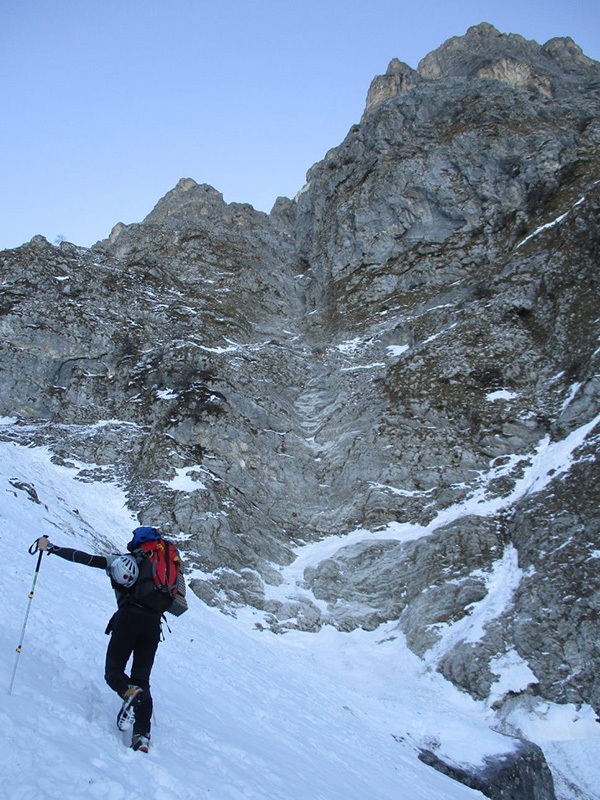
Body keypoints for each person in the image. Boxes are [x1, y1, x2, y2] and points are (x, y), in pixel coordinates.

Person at [37, 525, 178, 753]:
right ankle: (141, 737)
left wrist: (51, 548)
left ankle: (128, 692)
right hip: (153, 624)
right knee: (142, 678)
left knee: (113, 670)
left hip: (128, 618)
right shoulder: (165, 565)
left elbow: (86, 559)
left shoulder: (124, 560)